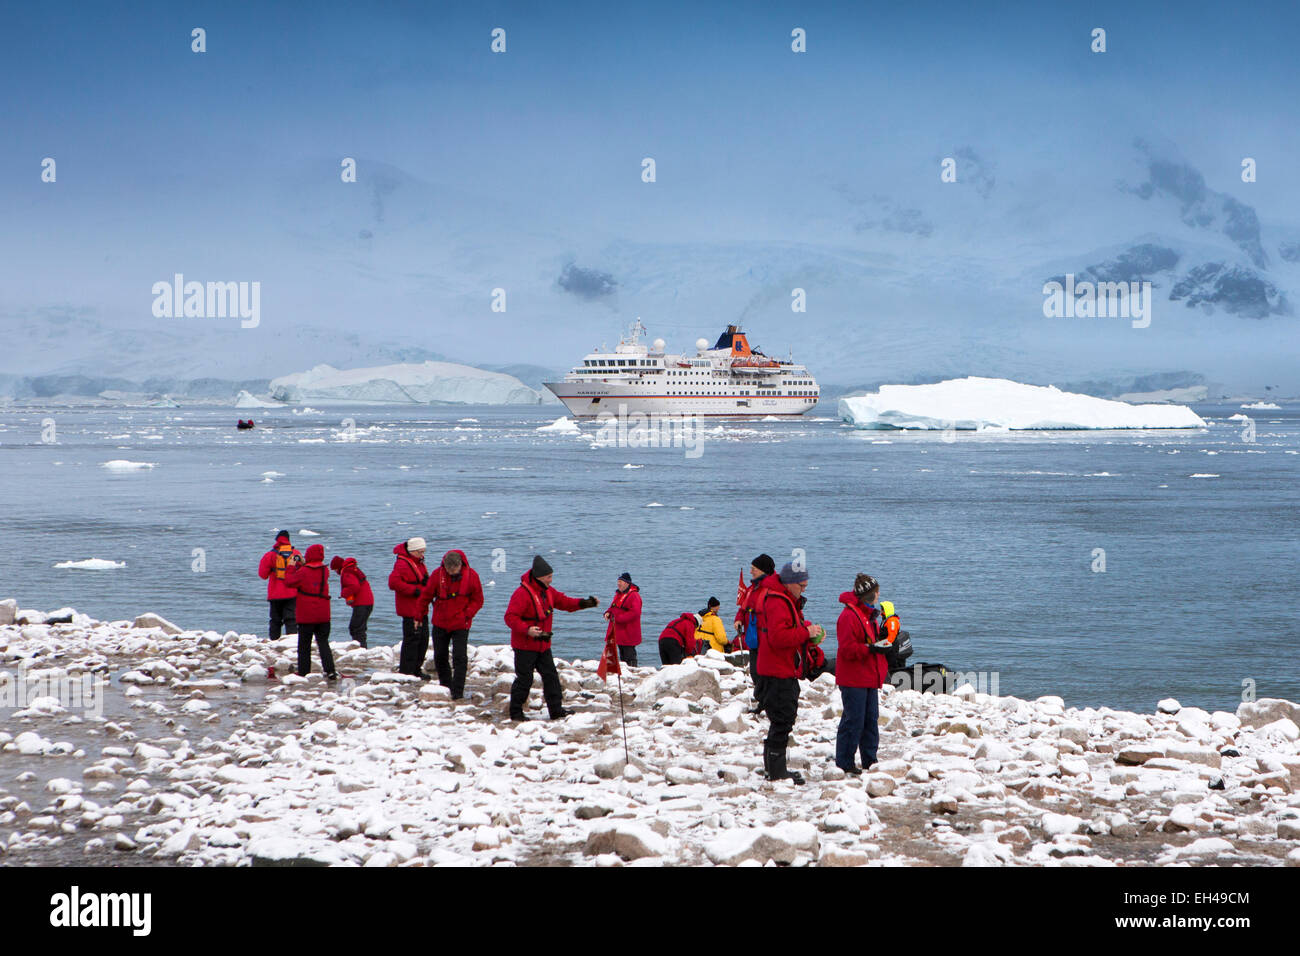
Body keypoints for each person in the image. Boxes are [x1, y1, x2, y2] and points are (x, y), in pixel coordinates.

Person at [504, 555, 599, 721]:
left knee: (551, 678)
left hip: (543, 645)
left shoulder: (548, 591)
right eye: (549, 577)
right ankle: (516, 713)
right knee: (525, 680)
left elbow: (565, 602)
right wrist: (527, 630)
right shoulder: (521, 594)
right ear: (539, 577)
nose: (551, 580)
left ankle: (556, 711)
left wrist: (586, 603)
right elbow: (510, 617)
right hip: (525, 646)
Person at [756, 562, 825, 785]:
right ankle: (777, 773)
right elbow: (779, 638)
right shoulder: (778, 602)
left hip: (778, 669)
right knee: (782, 720)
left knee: (780, 720)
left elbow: (787, 631)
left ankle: (774, 769)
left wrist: (809, 634)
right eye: (802, 586)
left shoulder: (781, 599)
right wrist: (806, 632)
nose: (804, 590)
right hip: (778, 671)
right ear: (790, 583)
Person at [834, 574, 889, 775]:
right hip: (853, 678)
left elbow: (867, 642)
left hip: (867, 676)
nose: (879, 595)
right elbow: (847, 649)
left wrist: (880, 644)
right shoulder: (849, 616)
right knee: (853, 720)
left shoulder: (868, 614)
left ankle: (869, 760)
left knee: (870, 720)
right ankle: (844, 762)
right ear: (869, 594)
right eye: (876, 592)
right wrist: (871, 648)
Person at [417, 549, 484, 699]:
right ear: (444, 566)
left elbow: (478, 600)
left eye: (454, 569)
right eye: (448, 569)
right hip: (440, 622)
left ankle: (458, 692)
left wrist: (467, 615)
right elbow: (425, 597)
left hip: (461, 623)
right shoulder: (437, 575)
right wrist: (418, 616)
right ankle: (446, 687)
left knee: (460, 658)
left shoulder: (472, 576)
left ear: (460, 565)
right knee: (440, 656)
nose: (451, 572)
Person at [283, 543, 338, 679]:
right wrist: (304, 563)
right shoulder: (325, 571)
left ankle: (304, 671)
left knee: (304, 645)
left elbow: (289, 581)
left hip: (307, 615)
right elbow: (312, 573)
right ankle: (330, 670)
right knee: (323, 643)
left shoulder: (303, 571)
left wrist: (290, 566)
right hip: (324, 614)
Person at [735, 554, 779, 712]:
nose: (750, 571)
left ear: (763, 570)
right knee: (756, 671)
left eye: (753, 569)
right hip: (754, 637)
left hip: (767, 638)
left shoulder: (773, 589)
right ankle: (763, 702)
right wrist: (739, 619)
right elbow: (743, 608)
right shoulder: (752, 588)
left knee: (766, 672)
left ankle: (768, 703)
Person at [388, 537, 430, 679]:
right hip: (410, 608)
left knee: (423, 640)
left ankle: (416, 669)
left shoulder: (417, 562)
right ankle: (407, 672)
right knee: (412, 640)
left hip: (420, 608)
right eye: (420, 552)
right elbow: (393, 583)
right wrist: (414, 590)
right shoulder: (402, 564)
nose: (422, 555)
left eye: (423, 552)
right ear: (412, 551)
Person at [257, 530, 301, 641]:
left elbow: (262, 575)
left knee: (275, 620)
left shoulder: (270, 555)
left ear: (277, 540)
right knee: (291, 619)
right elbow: (302, 571)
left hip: (275, 594)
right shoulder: (295, 554)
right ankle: (291, 642)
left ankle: (274, 641)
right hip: (292, 593)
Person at [331, 555, 374, 648]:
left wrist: (343, 593)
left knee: (355, 628)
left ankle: (361, 649)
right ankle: (362, 647)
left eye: (335, 570)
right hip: (367, 601)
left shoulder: (347, 572)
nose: (336, 572)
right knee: (359, 628)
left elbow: (354, 586)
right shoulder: (353, 569)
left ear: (338, 567)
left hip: (362, 603)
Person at [603, 572, 642, 667]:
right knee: (622, 655)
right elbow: (613, 607)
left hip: (628, 631)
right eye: (618, 582)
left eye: (620, 581)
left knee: (629, 655)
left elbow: (635, 612)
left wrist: (618, 618)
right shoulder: (619, 594)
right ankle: (625, 673)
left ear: (627, 583)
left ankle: (633, 672)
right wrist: (608, 612)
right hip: (619, 631)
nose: (618, 584)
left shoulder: (634, 596)